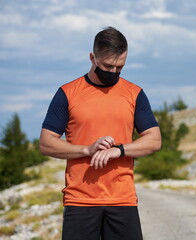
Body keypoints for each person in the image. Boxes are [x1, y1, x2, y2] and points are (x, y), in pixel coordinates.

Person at [39, 26, 161, 240]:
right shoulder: (67, 93)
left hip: (123, 201)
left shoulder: (135, 93)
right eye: (108, 66)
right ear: (92, 57)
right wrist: (87, 149)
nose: (113, 72)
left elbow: (154, 140)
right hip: (80, 201)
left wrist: (119, 150)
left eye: (120, 67)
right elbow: (46, 143)